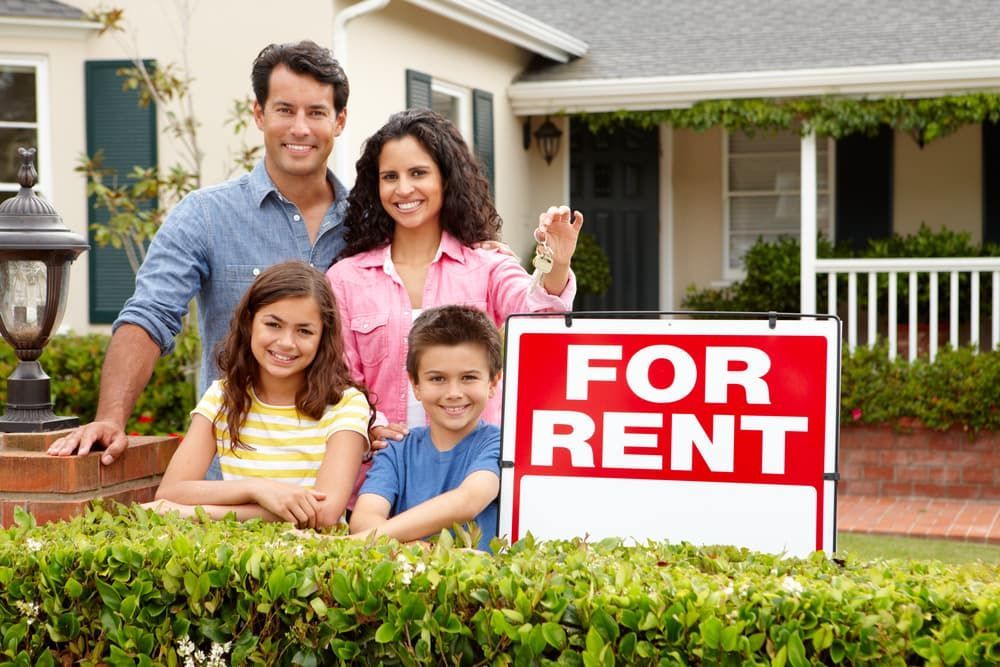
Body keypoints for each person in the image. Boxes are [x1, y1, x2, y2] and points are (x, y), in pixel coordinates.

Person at [48, 40, 351, 465]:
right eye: (285, 110)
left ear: (339, 121)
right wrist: (110, 419)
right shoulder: (206, 215)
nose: (300, 128)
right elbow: (149, 315)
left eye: (316, 112)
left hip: (350, 480)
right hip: (233, 480)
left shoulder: (370, 222)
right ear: (259, 115)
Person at [326, 109, 583, 449]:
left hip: (472, 475)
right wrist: (369, 424)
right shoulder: (346, 278)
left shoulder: (488, 265)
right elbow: (339, 379)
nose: (403, 189)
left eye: (418, 173)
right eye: (390, 176)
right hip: (381, 476)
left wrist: (558, 261)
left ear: (445, 179)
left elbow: (540, 318)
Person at [147, 261, 371, 527]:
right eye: (273, 325)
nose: (286, 342)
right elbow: (172, 491)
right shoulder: (223, 396)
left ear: (323, 337)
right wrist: (258, 489)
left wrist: (199, 512)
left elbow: (323, 514)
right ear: (249, 322)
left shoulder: (346, 405)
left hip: (313, 561)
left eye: (304, 331)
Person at [349, 305, 502, 550]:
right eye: (437, 379)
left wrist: (352, 543)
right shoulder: (397, 448)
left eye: (469, 377)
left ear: (493, 382)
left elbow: (468, 501)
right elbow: (363, 521)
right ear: (416, 384)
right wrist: (409, 547)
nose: (453, 393)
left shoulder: (499, 444)